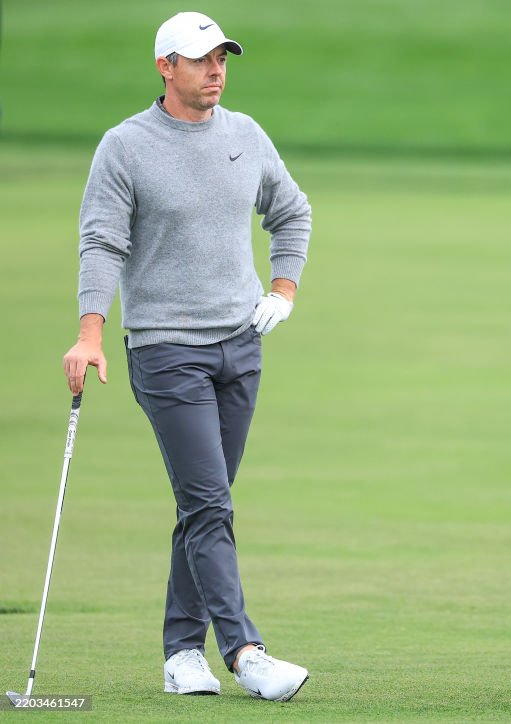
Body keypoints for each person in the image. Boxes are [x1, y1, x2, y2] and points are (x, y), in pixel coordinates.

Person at [61, 11, 313, 702]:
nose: (216, 69)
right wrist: (89, 332)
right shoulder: (126, 147)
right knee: (208, 505)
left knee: (207, 504)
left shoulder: (245, 134)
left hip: (241, 346)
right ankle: (245, 651)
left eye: (222, 57)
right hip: (166, 349)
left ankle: (180, 654)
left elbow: (291, 211)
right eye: (200, 59)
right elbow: (102, 243)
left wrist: (284, 288)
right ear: (165, 67)